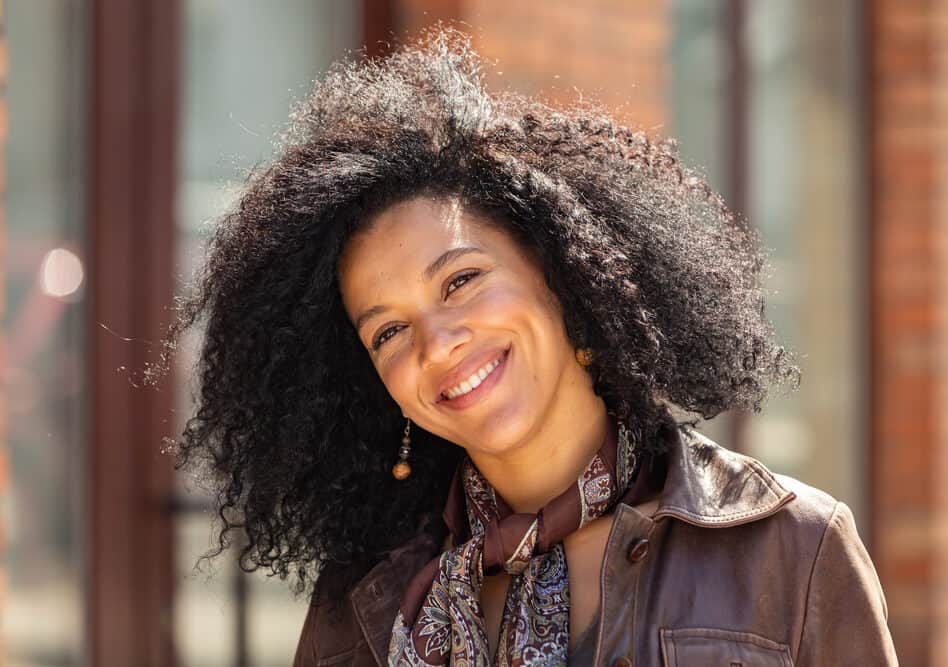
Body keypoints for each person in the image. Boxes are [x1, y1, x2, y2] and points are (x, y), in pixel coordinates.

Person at [159, 28, 898, 666]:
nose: (437, 342)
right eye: (387, 330)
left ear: (559, 273)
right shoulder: (362, 599)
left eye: (461, 280)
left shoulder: (791, 551)